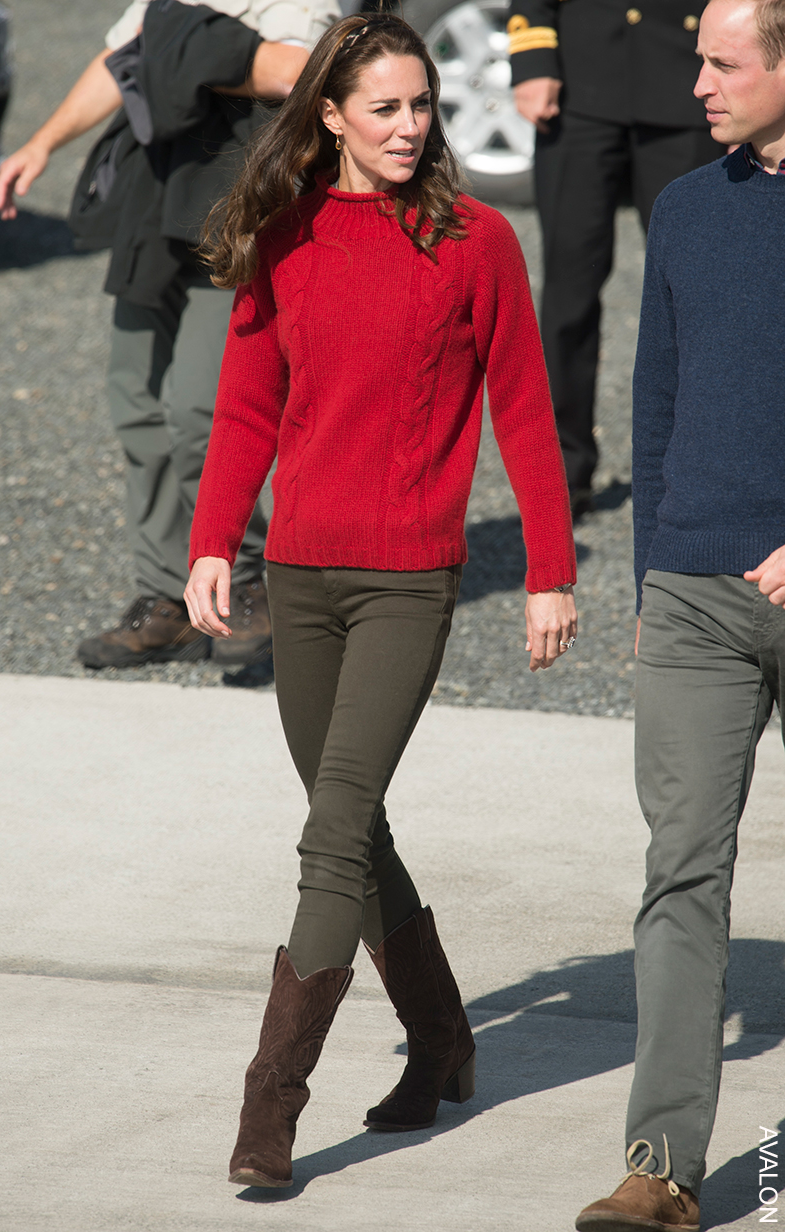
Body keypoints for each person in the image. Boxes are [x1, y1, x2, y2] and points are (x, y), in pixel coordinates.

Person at [183, 10, 578, 1190]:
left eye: (421, 105)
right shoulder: (286, 230)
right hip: (299, 575)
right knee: (356, 831)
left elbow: (523, 410)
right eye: (385, 107)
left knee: (330, 830)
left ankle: (270, 1109)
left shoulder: (476, 242)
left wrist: (550, 570)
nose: (409, 126)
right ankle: (447, 1036)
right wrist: (214, 544)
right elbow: (249, 400)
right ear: (332, 117)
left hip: (409, 578)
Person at [576, 1, 785, 1228]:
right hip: (696, 596)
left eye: (721, 62)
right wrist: (655, 577)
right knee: (679, 875)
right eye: (696, 58)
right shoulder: (688, 209)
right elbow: (652, 406)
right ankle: (660, 1168)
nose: (693, 80)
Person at [0, 0, 338, 670]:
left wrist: (186, 42)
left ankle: (241, 586)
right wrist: (43, 142)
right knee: (137, 406)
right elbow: (124, 59)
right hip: (155, 208)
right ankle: (168, 601)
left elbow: (297, 74)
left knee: (201, 414)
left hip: (237, 218)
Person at [508, 0, 716, 515]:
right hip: (580, 83)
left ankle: (703, 470)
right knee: (568, 292)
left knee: (700, 299)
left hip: (688, 81)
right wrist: (533, 61)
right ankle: (561, 473)